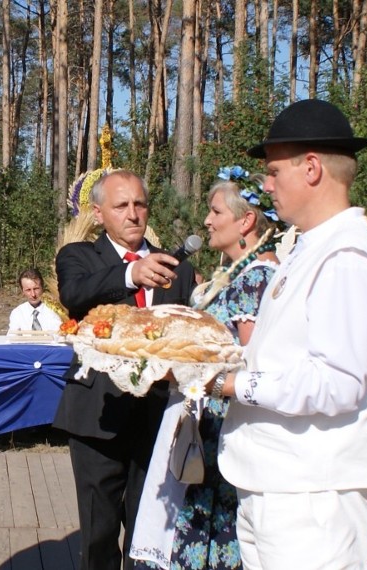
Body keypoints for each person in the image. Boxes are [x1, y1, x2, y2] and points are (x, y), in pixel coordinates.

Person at [210, 99, 367, 569]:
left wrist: (233, 384)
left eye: (274, 172)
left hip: (312, 501)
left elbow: (337, 383)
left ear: (311, 168)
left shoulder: (346, 258)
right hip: (279, 487)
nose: (266, 186)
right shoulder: (310, 248)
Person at [131, 167, 281, 569]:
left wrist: (188, 368)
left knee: (215, 529)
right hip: (206, 414)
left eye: (216, 212)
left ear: (246, 221)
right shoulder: (234, 274)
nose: (207, 221)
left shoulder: (257, 279)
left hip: (225, 419)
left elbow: (252, 359)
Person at [54, 169, 197, 570]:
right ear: (99, 214)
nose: (133, 214)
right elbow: (75, 294)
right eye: (121, 205)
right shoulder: (78, 257)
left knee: (147, 531)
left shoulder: (177, 267)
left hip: (156, 418)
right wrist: (131, 273)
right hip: (97, 417)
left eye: (140, 203)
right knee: (99, 534)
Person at [7, 268, 63, 332]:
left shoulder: (55, 311)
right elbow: (12, 338)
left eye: (36, 289)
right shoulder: (17, 313)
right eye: (28, 290)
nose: (33, 294)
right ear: (22, 291)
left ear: (42, 287)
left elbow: (60, 336)